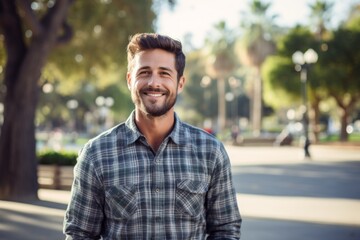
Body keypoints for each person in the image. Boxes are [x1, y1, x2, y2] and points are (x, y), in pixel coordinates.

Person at [63, 33, 242, 239]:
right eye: (144, 72)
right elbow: (80, 234)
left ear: (180, 83)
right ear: (130, 80)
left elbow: (226, 229)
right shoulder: (96, 154)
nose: (153, 82)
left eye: (164, 73)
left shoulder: (211, 152)